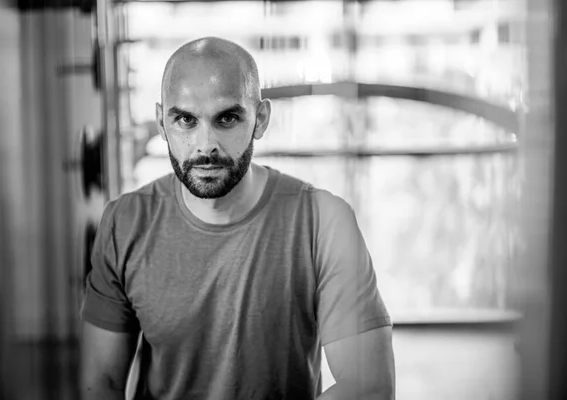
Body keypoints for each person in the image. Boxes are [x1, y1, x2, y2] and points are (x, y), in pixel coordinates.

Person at [80, 36, 395, 400]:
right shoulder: (125, 222)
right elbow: (99, 382)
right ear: (161, 124)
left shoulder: (324, 221)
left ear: (260, 119)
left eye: (227, 118)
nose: (205, 144)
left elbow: (370, 387)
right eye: (185, 120)